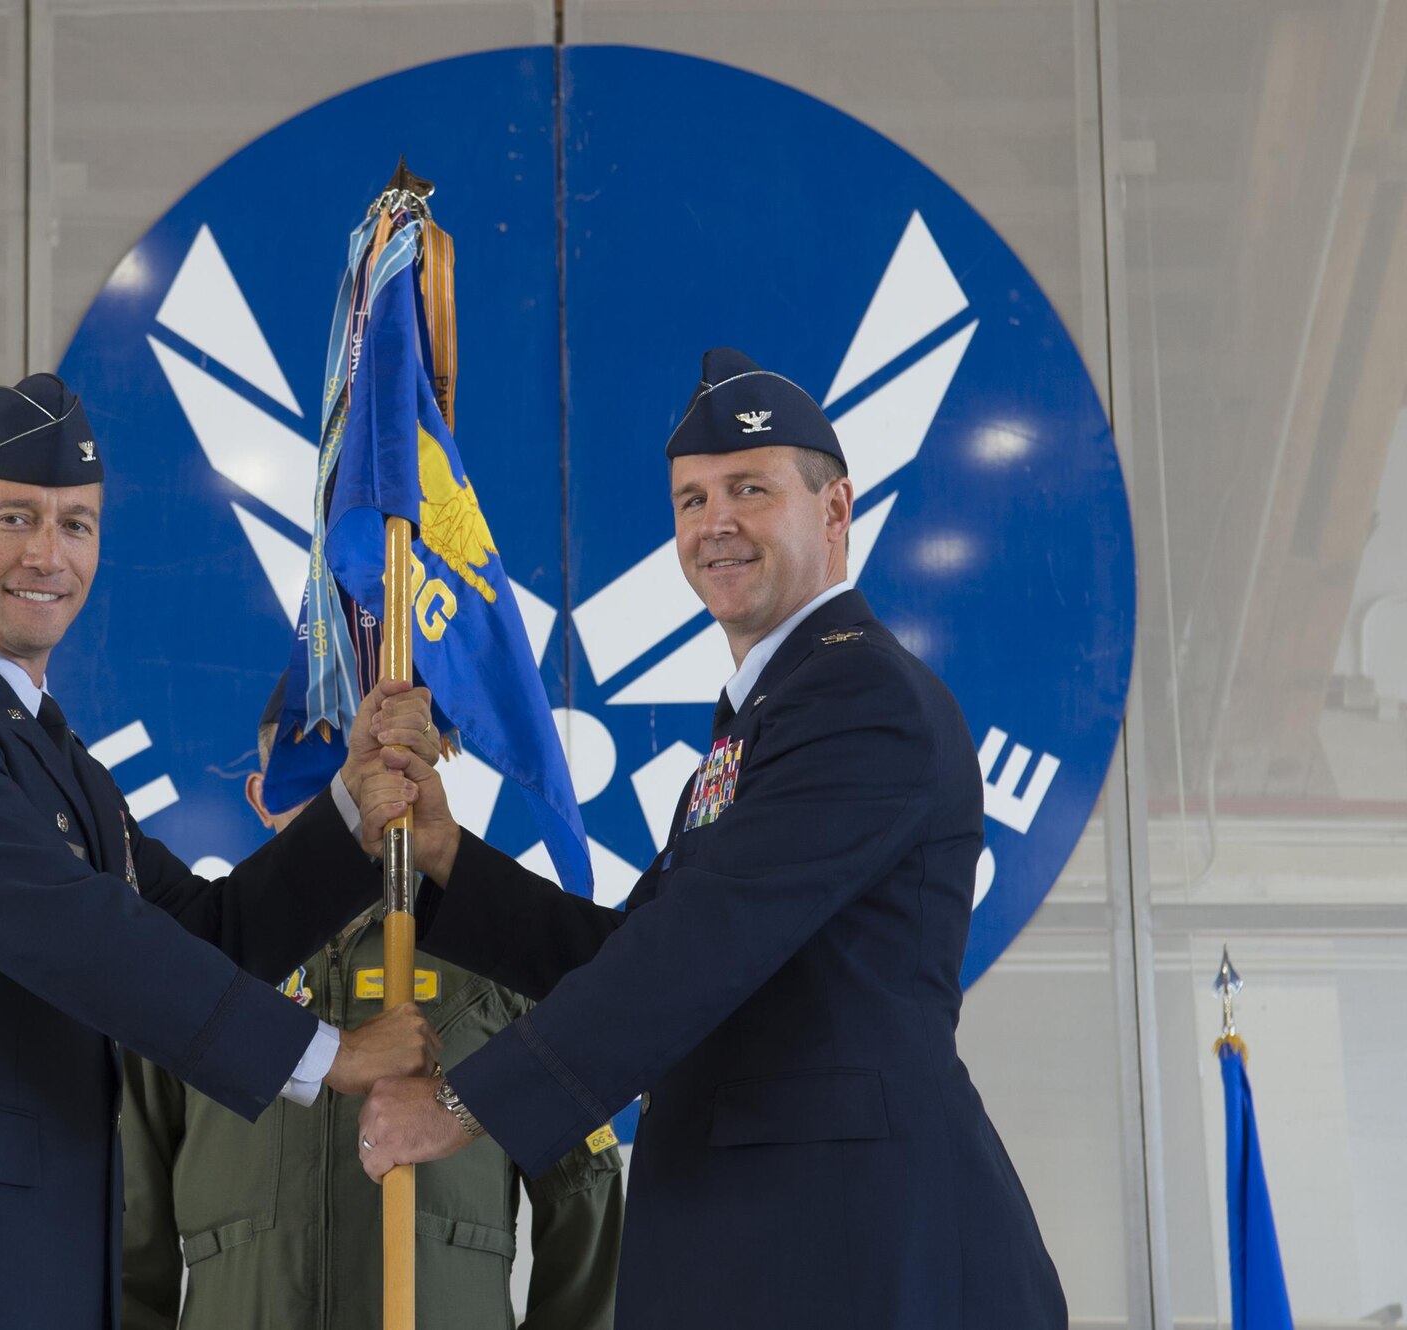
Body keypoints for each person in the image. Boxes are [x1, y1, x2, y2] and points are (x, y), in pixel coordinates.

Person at [356, 350, 1069, 1328]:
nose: (712, 523)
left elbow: (698, 948)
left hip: (862, 1264)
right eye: (690, 500)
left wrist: (463, 1102)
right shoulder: (766, 718)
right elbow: (629, 951)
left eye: (748, 489)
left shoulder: (860, 699)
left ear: (834, 511)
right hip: (767, 1259)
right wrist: (444, 857)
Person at [0, 372, 441, 1330]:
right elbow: (82, 937)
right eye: (14, 519)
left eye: (76, 524)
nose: (48, 554)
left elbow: (207, 931)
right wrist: (325, 1055)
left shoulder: (59, 759)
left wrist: (352, 805)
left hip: (47, 1270)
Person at [118, 680, 625, 1330]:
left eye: (356, 774)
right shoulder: (193, 968)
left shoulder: (495, 962)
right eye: (305, 779)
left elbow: (586, 1201)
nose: (343, 801)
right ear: (258, 798)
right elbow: (130, 1228)